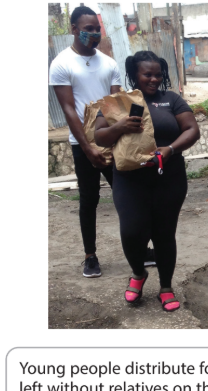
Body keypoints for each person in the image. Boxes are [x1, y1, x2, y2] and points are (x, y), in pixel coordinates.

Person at [94, 51, 199, 312]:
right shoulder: (117, 102)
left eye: (157, 74)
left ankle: (166, 287)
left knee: (165, 233)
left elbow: (192, 130)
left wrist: (170, 149)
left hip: (169, 178)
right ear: (134, 75)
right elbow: (99, 137)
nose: (154, 79)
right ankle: (139, 274)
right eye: (147, 74)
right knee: (132, 232)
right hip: (130, 180)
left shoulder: (171, 100)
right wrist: (119, 127)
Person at [50, 6, 129, 278]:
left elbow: (115, 105)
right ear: (74, 29)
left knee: (127, 195)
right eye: (88, 29)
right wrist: (87, 147)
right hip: (82, 143)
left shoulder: (109, 63)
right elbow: (69, 109)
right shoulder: (62, 63)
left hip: (111, 140)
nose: (94, 33)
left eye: (97, 28)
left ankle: (139, 249)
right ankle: (90, 256)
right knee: (89, 199)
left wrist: (113, 138)